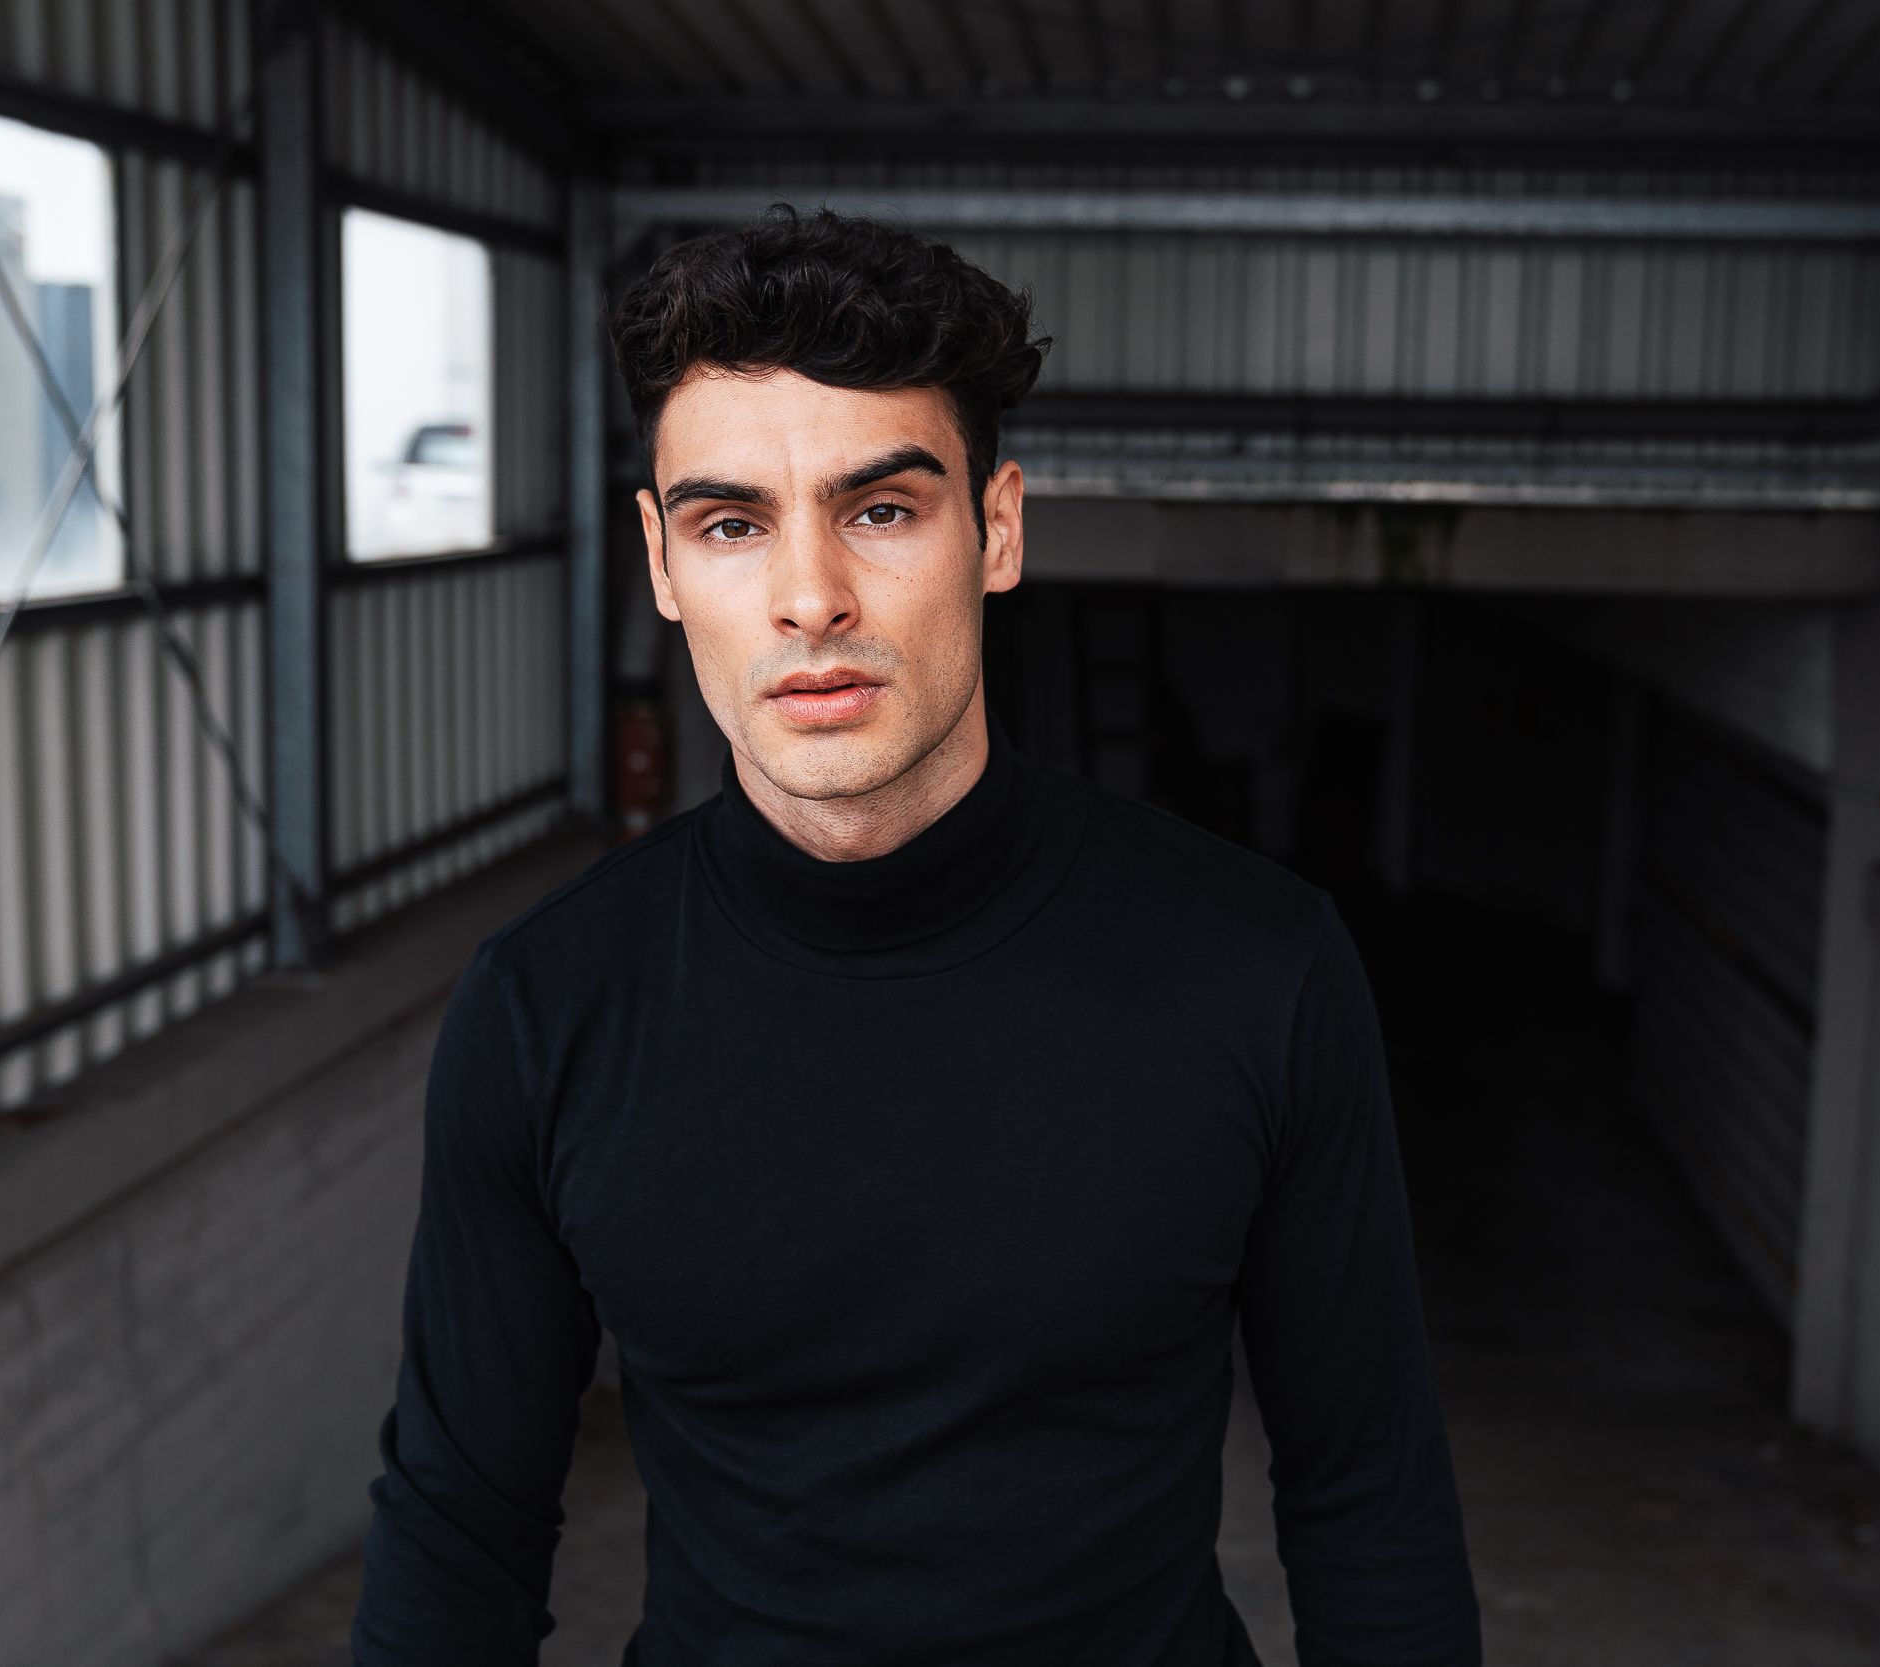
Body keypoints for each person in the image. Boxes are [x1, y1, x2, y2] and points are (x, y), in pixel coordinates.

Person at [351, 204, 1480, 1667]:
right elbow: (459, 1528)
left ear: (996, 530)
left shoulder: (1258, 967)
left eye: (881, 510)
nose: (809, 599)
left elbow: (1370, 1495)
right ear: (662, 563)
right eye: (732, 524)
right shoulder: (548, 1007)